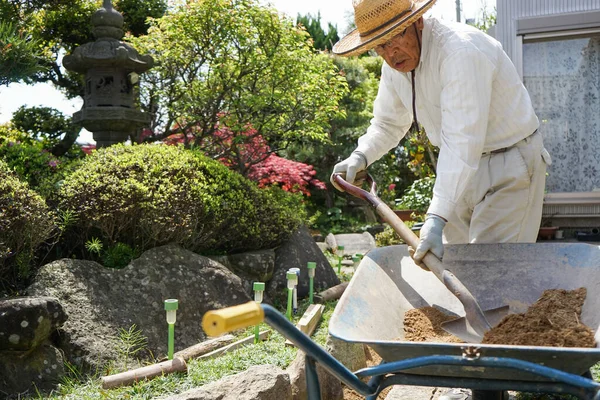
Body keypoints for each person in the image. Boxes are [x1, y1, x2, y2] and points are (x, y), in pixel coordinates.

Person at [330, 0, 552, 265]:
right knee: (455, 266)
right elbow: (388, 124)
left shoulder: (460, 51)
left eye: (395, 37)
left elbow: (462, 140)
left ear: (417, 22)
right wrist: (361, 155)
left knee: (494, 270)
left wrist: (435, 218)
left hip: (509, 165)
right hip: (459, 169)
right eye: (379, 45)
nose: (390, 53)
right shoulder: (395, 67)